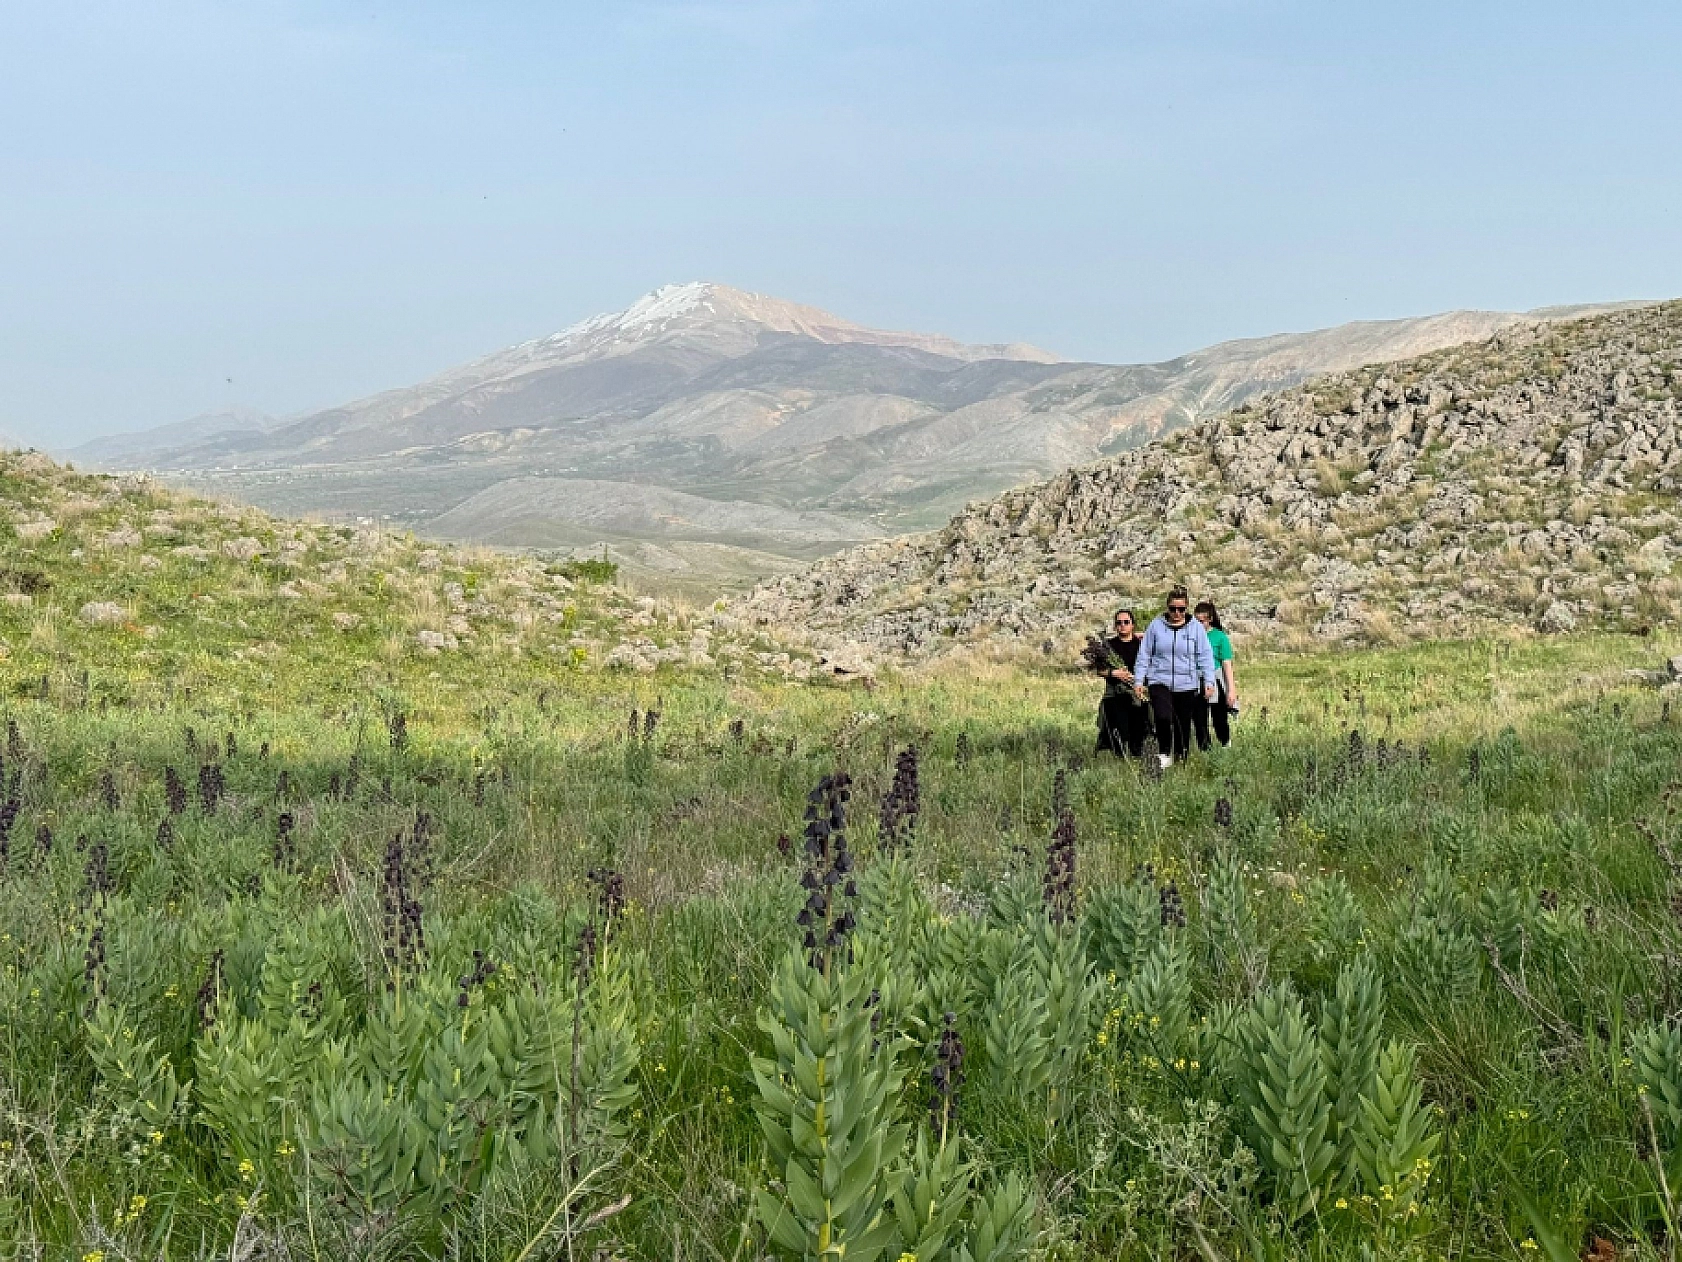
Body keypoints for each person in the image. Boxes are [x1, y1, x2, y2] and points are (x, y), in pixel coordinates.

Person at [1133, 585, 1217, 768]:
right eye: (1173, 609)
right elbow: (1144, 654)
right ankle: (1164, 754)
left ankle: (1181, 758)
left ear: (1186, 609)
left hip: (1186, 683)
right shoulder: (1155, 626)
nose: (1176, 613)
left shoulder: (1196, 628)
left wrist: (1209, 680)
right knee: (1163, 717)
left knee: (1182, 724)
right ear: (1167, 607)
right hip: (1159, 680)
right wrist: (1139, 680)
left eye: (1181, 609)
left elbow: (1205, 655)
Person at [1095, 609, 1151, 759]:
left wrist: (1138, 680)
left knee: (1139, 727)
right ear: (1115, 626)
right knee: (1118, 728)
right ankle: (1119, 758)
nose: (1122, 625)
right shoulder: (1108, 646)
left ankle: (1137, 755)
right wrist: (1114, 673)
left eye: (1126, 622)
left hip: (1138, 691)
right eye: (1119, 623)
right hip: (1116, 692)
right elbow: (1099, 670)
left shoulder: (1142, 645)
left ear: (1133, 625)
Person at [1194, 601, 1237, 747]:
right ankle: (1205, 748)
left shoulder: (1220, 637)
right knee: (1199, 719)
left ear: (1209, 619)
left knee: (1219, 718)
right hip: (1196, 679)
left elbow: (1226, 663)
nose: (1198, 625)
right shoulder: (1190, 636)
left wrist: (1231, 690)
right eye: (1196, 621)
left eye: (1202, 621)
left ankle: (1225, 742)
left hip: (1215, 678)